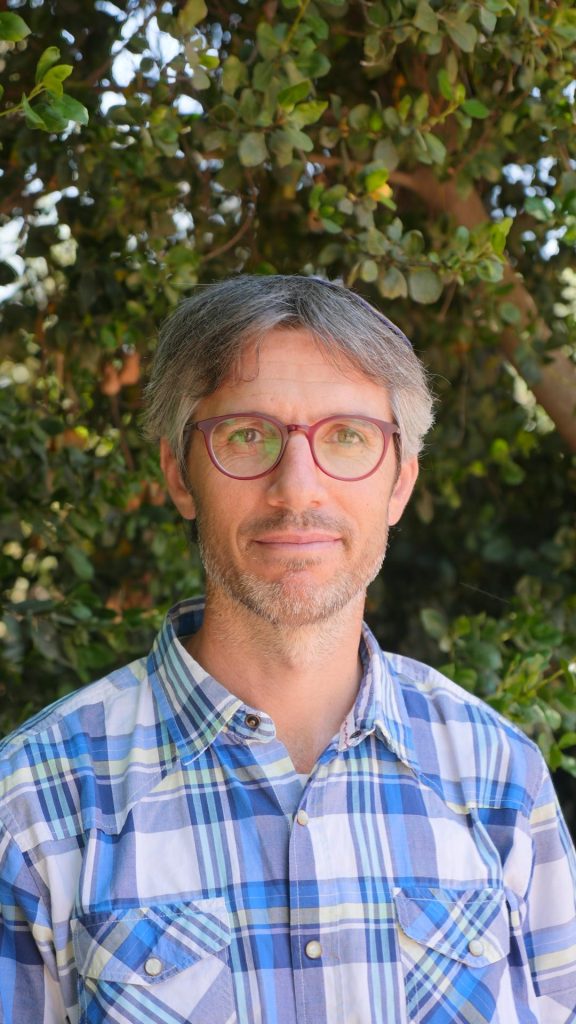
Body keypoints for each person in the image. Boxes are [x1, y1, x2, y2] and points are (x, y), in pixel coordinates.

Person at [0, 275, 575, 1024]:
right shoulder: (33, 803)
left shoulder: (500, 778)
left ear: (400, 483)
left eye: (347, 437)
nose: (297, 490)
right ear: (180, 475)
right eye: (247, 435)